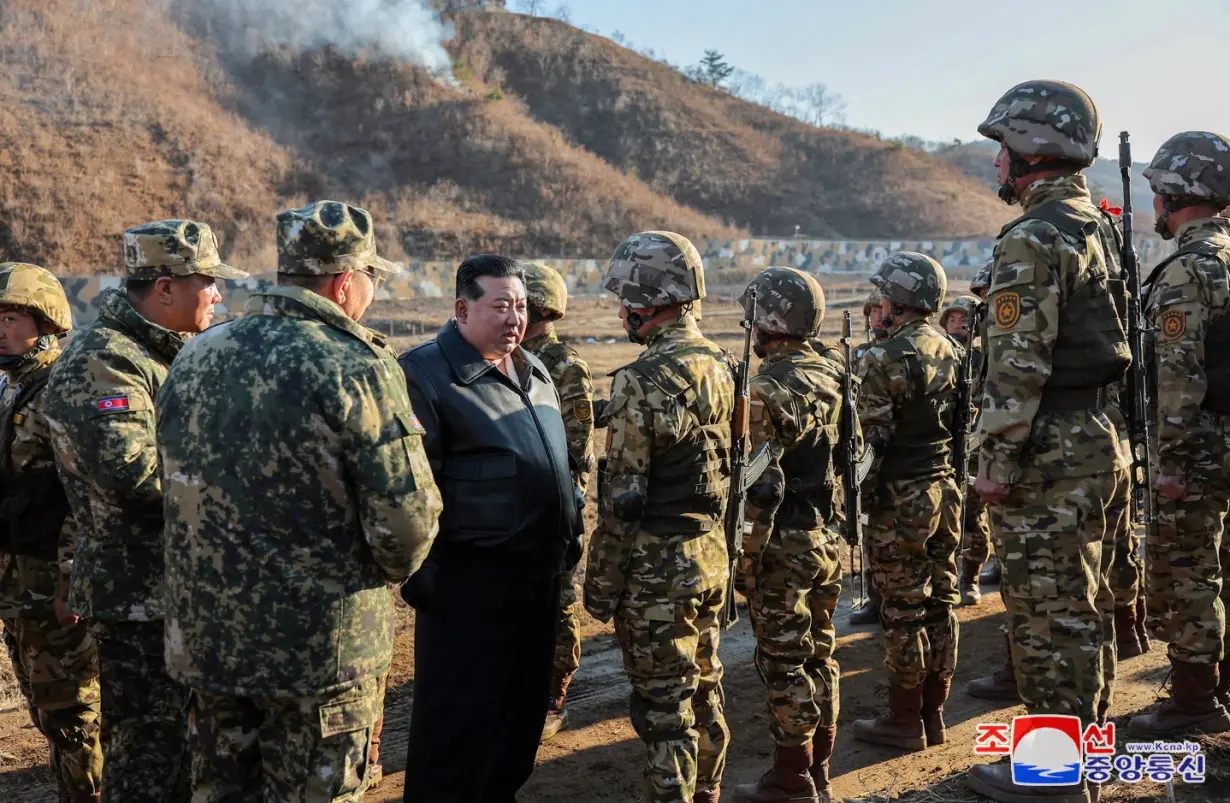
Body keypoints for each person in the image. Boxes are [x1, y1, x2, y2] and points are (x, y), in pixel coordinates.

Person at [156, 200, 442, 801]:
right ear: (344, 283)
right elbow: (405, 523)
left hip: (208, 644)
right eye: (372, 278)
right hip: (318, 652)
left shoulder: (197, 354)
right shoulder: (355, 365)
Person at [966, 80, 1132, 803]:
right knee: (1079, 612)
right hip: (1094, 439)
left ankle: (1053, 774)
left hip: (1049, 449)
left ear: (1031, 151)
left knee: (1046, 617)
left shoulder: (1034, 237)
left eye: (1002, 146)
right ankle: (1079, 758)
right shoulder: (1094, 224)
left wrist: (994, 462)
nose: (996, 161)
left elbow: (1018, 363)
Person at [45, 219, 247, 802]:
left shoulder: (173, 349)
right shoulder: (103, 359)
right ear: (165, 288)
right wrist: (245, 493)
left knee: (197, 753)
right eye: (207, 283)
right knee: (150, 762)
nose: (217, 295)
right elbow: (132, 474)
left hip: (185, 589)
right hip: (141, 600)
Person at [399, 254, 581, 803]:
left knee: (518, 722)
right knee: (457, 731)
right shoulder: (426, 375)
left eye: (521, 307)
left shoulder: (535, 370)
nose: (514, 319)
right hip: (468, 589)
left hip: (537, 579)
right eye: (500, 306)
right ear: (462, 308)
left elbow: (559, 466)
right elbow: (411, 492)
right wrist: (428, 581)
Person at [584, 232, 732, 803]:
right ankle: (709, 792)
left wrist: (601, 585)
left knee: (664, 711)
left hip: (656, 571)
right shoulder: (721, 364)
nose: (620, 309)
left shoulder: (639, 381)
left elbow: (624, 502)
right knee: (705, 691)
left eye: (624, 297)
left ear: (645, 302)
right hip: (709, 555)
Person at [730, 267, 846, 803]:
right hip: (824, 537)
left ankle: (792, 777)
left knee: (784, 664)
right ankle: (819, 766)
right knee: (821, 653)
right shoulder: (831, 374)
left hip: (782, 547)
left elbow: (761, 488)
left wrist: (745, 565)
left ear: (768, 323)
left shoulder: (765, 390)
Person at [1128, 131, 1230, 736]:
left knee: (1189, 570)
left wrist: (1169, 463)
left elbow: (1178, 377)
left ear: (1176, 194)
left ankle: (1194, 700)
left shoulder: (1190, 270)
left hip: (1199, 446)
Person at [849, 252, 960, 754]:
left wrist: (860, 505)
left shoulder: (881, 358)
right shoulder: (952, 349)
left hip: (901, 497)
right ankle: (934, 714)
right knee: (942, 602)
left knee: (903, 611)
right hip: (944, 489)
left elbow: (873, 445)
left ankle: (903, 718)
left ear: (898, 301)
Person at [0, 263, 103, 802]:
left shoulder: (63, 389)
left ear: (45, 320)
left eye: (10, 317)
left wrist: (71, 582)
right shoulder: (13, 388)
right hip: (20, 588)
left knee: (75, 718)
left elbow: (83, 497)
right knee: (49, 714)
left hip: (54, 589)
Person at [521, 262, 596, 742]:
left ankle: (554, 693)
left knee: (559, 600)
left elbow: (578, 445)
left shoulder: (564, 365)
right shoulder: (507, 357)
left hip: (556, 502)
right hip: (519, 503)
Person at [938, 295, 988, 606]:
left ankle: (970, 577)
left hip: (976, 444)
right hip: (944, 445)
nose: (958, 324)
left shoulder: (985, 358)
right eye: (953, 319)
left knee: (973, 515)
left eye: (964, 319)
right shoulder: (938, 356)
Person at [848, 286, 889, 627]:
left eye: (880, 309)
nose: (876, 316)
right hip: (862, 446)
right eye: (871, 311)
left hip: (887, 448)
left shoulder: (895, 353)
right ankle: (875, 598)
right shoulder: (858, 353)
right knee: (867, 532)